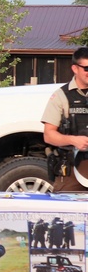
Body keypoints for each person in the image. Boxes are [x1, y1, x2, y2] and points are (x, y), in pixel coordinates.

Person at [42, 47, 88, 192]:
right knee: (67, 212)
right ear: (75, 68)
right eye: (87, 68)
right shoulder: (61, 96)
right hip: (72, 169)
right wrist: (74, 140)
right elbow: (49, 135)